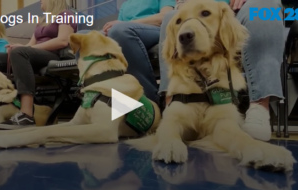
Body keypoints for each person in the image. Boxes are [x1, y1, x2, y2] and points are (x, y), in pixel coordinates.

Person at [158, 0, 284, 141]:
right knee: (171, 17)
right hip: (196, 15)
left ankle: (260, 106)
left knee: (265, 7)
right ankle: (172, 103)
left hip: (243, 8)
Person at [0, 0, 77, 130]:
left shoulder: (66, 14)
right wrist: (19, 47)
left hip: (53, 55)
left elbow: (62, 41)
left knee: (19, 53)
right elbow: (30, 45)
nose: (40, 2)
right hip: (35, 54)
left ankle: (26, 114)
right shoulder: (41, 21)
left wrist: (25, 50)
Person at [76, 0, 175, 103]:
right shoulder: (126, 4)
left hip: (153, 29)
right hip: (125, 29)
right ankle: (97, 98)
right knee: (83, 38)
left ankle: (149, 97)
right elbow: (116, 30)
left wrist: (124, 24)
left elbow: (164, 17)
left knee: (120, 30)